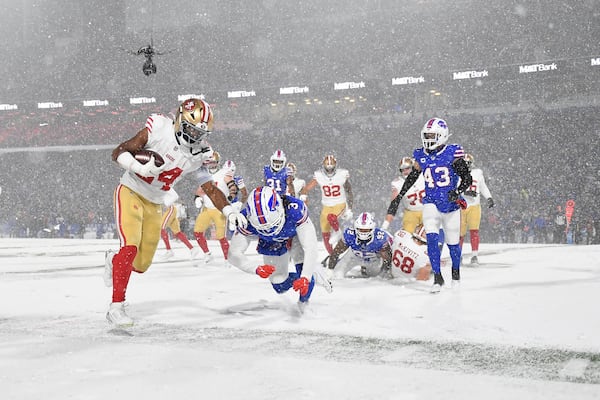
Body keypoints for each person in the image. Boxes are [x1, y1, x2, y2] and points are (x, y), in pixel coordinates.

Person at [104, 98, 247, 327]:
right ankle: (116, 307)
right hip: (130, 190)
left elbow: (209, 188)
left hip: (156, 202)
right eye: (190, 128)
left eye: (199, 132)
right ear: (180, 120)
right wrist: (141, 167)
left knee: (140, 265)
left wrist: (229, 210)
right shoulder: (160, 129)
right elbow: (118, 152)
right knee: (129, 248)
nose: (193, 135)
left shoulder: (200, 153)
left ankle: (114, 259)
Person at [385, 117, 472, 293]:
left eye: (433, 135)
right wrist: (401, 194)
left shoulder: (452, 153)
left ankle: (455, 275)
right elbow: (412, 177)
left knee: (453, 244)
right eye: (427, 135)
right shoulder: (421, 155)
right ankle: (438, 279)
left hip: (451, 205)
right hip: (430, 202)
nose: (429, 139)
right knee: (432, 239)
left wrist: (457, 192)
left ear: (442, 135)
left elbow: (467, 178)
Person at [228, 186, 332, 310]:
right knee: (279, 285)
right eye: (263, 228)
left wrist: (305, 276)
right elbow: (233, 254)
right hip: (272, 243)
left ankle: (303, 304)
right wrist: (255, 268)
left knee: (304, 276)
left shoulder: (294, 209)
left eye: (272, 225)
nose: (269, 230)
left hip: (295, 235)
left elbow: (310, 247)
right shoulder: (245, 219)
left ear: (280, 209)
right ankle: (307, 278)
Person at [299, 154, 353, 255]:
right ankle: (332, 255)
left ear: (335, 165)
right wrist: (303, 195)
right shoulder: (319, 175)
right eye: (327, 165)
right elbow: (306, 188)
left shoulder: (342, 174)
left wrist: (349, 208)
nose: (329, 168)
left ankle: (338, 233)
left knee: (331, 217)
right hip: (326, 206)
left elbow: (349, 191)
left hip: (339, 203)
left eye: (331, 165)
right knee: (325, 234)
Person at [192, 151, 236, 263]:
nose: (211, 165)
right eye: (209, 163)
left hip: (219, 210)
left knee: (221, 237)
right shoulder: (204, 174)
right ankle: (207, 254)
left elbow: (232, 185)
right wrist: (197, 197)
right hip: (207, 208)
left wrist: (231, 195)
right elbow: (200, 190)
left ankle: (228, 259)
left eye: (213, 163)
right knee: (197, 232)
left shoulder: (223, 173)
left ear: (218, 163)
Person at [327, 212, 392, 279]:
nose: (363, 233)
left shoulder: (380, 238)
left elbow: (387, 260)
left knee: (373, 277)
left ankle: (364, 269)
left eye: (366, 230)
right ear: (355, 228)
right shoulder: (350, 234)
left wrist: (384, 273)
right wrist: (330, 270)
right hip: (353, 256)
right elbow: (336, 252)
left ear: (373, 229)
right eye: (361, 229)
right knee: (337, 274)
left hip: (372, 261)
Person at [459, 153, 494, 265]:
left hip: (474, 206)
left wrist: (489, 197)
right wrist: (465, 192)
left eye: (468, 164)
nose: (466, 166)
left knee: (474, 231)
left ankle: (474, 256)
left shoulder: (477, 173)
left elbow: (482, 186)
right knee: (460, 234)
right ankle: (458, 255)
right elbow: (453, 189)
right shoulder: (456, 173)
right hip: (461, 206)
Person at [381, 157, 425, 234]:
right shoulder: (398, 183)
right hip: (411, 212)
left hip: (427, 209)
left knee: (432, 232)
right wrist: (385, 224)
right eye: (402, 170)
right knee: (408, 236)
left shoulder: (423, 175)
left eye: (407, 168)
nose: (405, 171)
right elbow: (394, 203)